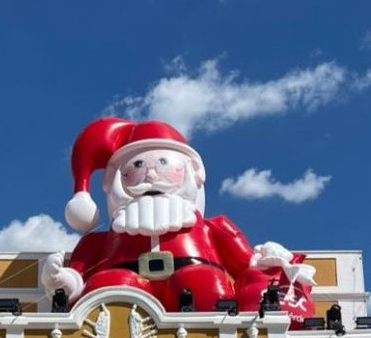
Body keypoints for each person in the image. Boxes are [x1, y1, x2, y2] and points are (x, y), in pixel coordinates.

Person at [41, 117, 315, 321]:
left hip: (197, 287)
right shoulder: (98, 242)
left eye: (162, 163)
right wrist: (62, 280)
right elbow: (77, 278)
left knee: (205, 284)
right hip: (124, 293)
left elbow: (247, 266)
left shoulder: (215, 228)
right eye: (136, 166)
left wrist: (271, 260)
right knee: (108, 287)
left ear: (192, 171)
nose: (150, 175)